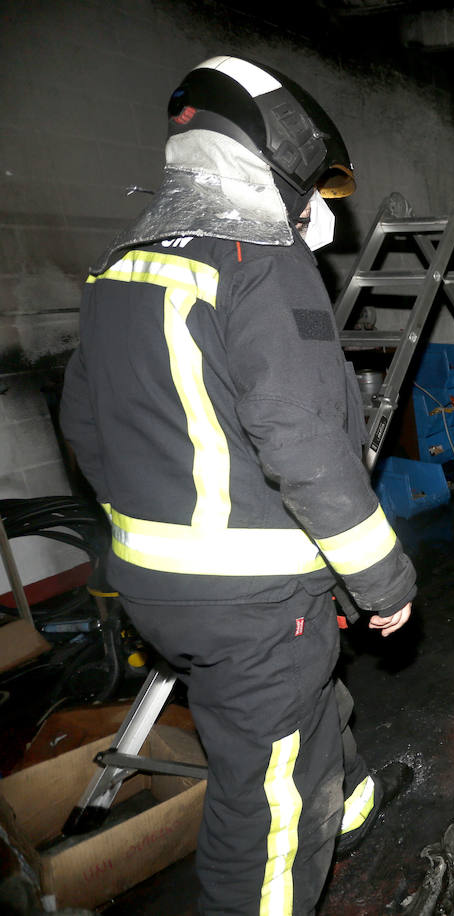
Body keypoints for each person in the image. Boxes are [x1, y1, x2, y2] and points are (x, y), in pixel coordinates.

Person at [60, 56, 417, 914]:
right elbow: (302, 445)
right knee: (266, 813)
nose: (321, 210)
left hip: (151, 587)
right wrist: (383, 579)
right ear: (275, 165)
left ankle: (354, 805)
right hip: (255, 602)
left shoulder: (124, 264)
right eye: (314, 188)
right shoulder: (263, 262)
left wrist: (157, 527)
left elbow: (81, 423)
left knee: (308, 699)